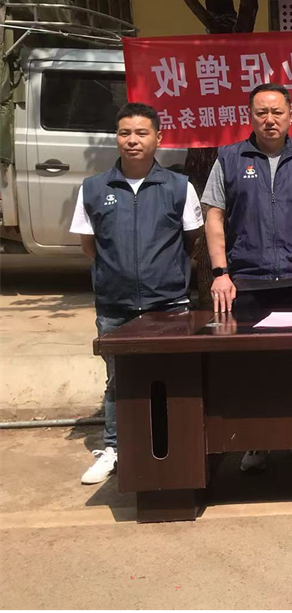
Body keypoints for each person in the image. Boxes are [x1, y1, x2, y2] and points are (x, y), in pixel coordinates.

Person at [201, 82, 292, 471]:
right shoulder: (229, 159)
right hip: (247, 284)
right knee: (253, 370)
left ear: (291, 115)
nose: (270, 119)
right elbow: (214, 217)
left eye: (277, 111)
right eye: (261, 112)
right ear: (250, 116)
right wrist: (220, 272)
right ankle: (257, 443)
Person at [71, 102, 203, 484]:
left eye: (141, 133)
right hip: (115, 304)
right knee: (118, 380)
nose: (132, 140)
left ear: (158, 138)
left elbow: (192, 240)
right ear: (116, 137)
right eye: (125, 133)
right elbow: (89, 246)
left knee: (173, 377)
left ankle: (176, 444)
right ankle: (115, 448)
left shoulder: (178, 187)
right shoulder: (94, 188)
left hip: (168, 304)